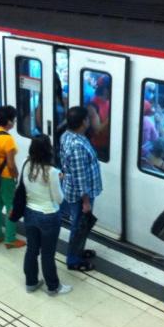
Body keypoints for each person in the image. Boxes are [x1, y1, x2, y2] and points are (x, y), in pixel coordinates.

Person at [23, 134, 72, 296]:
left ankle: (31, 282)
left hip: (30, 212)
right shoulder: (51, 172)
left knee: (32, 249)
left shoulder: (26, 165)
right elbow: (58, 199)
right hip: (48, 216)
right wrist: (59, 180)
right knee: (47, 254)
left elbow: (23, 187)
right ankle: (53, 287)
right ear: (48, 151)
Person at [61, 106, 102, 271]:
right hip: (80, 195)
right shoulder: (77, 145)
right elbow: (80, 176)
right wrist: (86, 201)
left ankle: (78, 251)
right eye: (88, 118)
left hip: (76, 190)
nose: (89, 121)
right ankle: (73, 260)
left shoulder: (68, 135)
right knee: (78, 226)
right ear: (83, 122)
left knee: (80, 225)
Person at [0, 106, 25, 248]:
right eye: (14, 119)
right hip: (5, 177)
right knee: (11, 206)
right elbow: (10, 164)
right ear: (9, 122)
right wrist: (16, 176)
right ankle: (10, 239)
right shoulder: (8, 140)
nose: (15, 122)